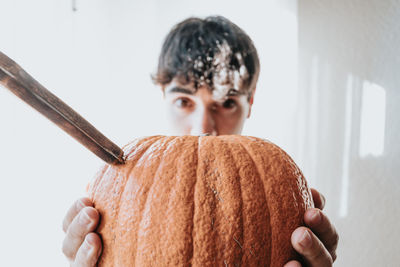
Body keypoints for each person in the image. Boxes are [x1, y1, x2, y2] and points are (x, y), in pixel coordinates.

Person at [62, 16, 338, 267]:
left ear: (250, 102)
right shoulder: (124, 181)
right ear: (163, 96)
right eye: (184, 101)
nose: (203, 127)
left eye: (226, 103)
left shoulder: (276, 180)